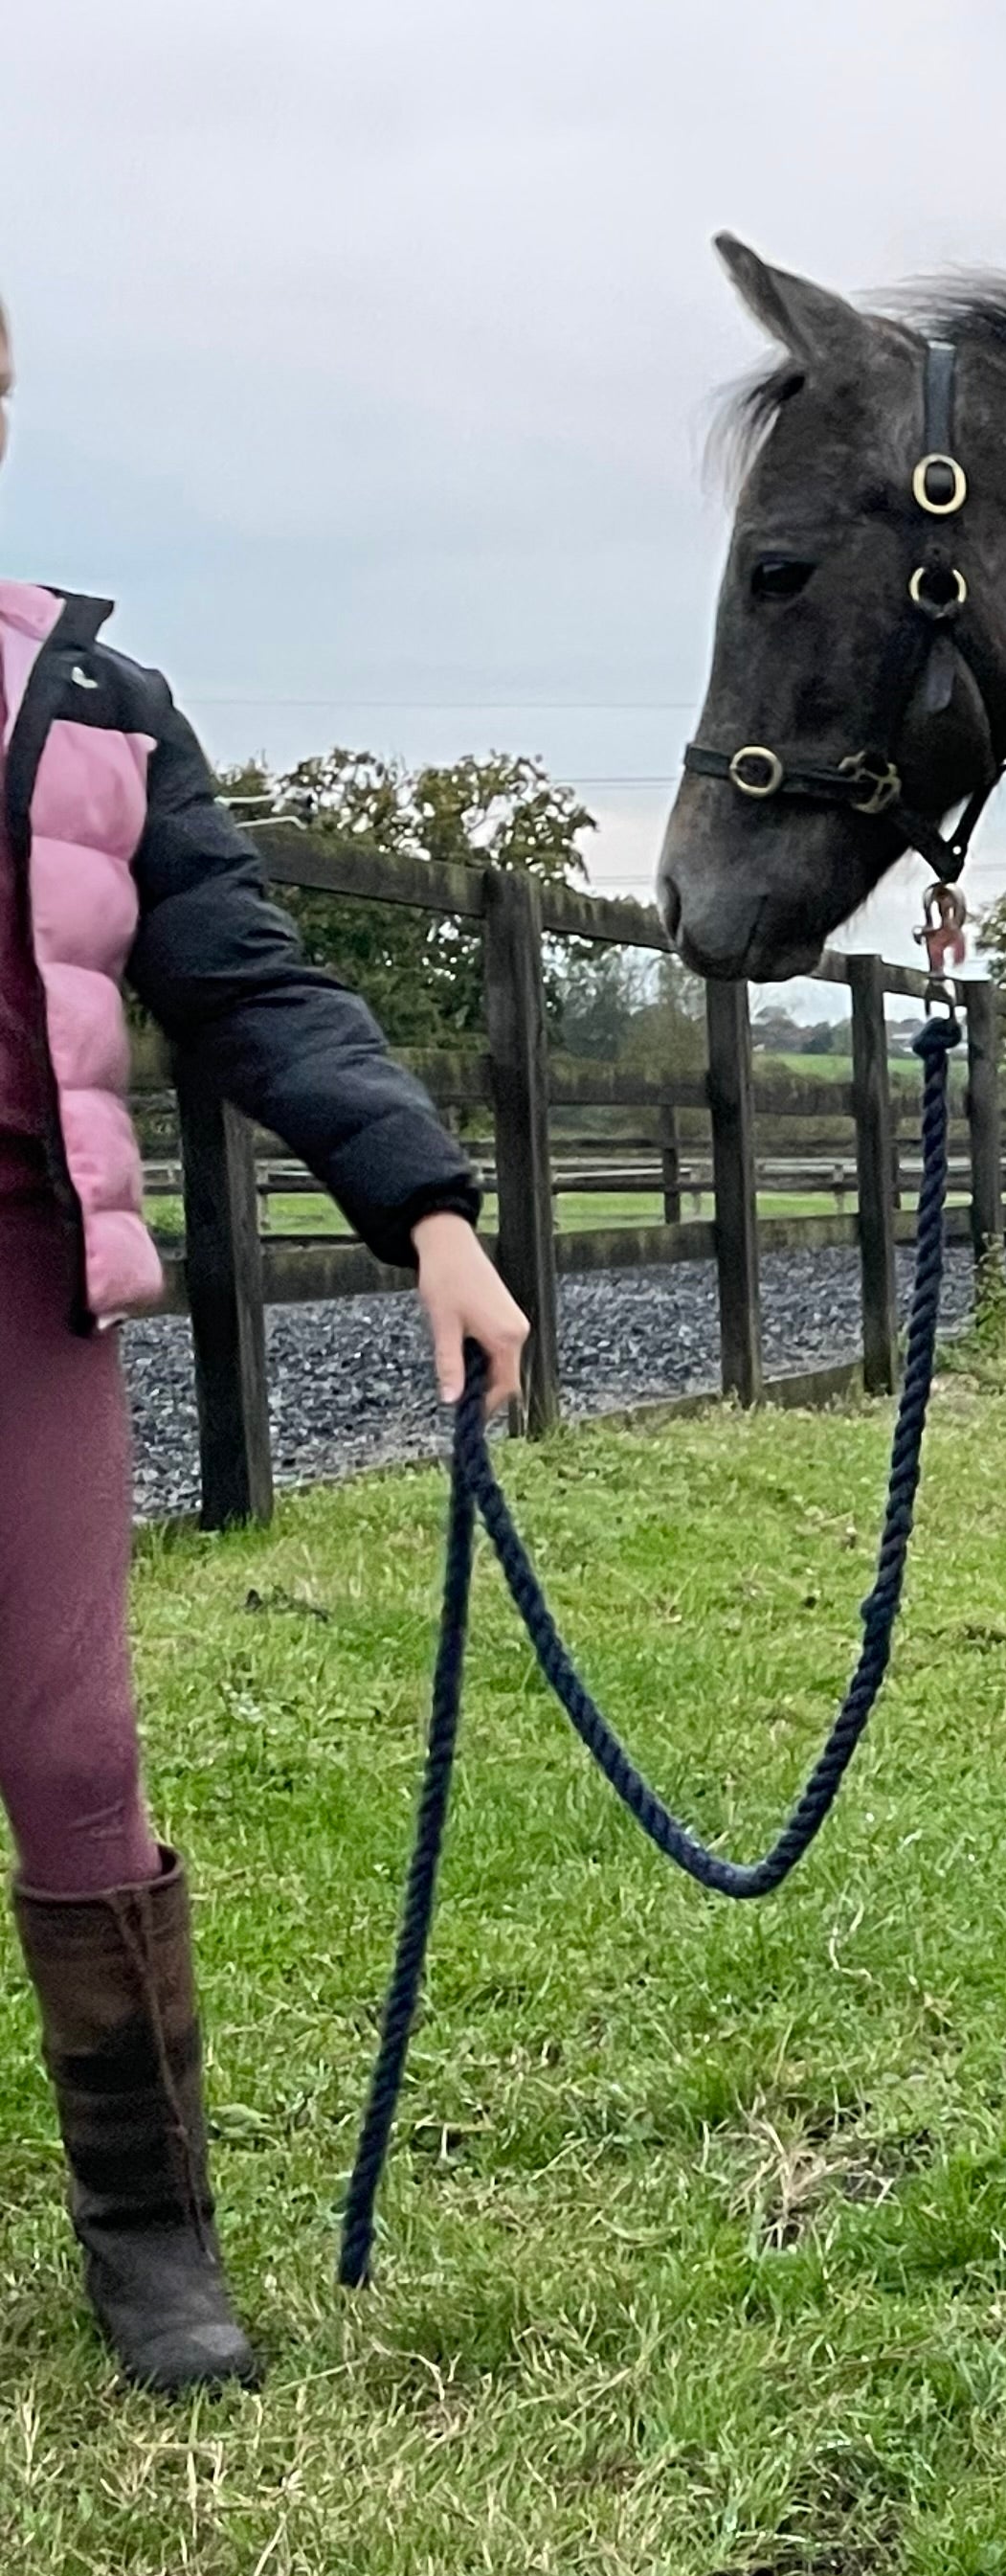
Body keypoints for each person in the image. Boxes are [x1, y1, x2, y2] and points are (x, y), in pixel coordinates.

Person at [2, 291, 527, 2391]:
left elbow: (249, 977)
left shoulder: (94, 698)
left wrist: (430, 1211)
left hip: (21, 1283)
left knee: (70, 1746)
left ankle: (154, 2245)